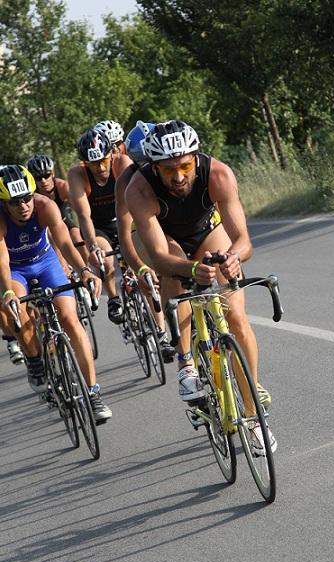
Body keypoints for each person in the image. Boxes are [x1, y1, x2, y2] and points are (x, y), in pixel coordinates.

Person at [125, 120, 276, 452]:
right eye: (168, 170)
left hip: (206, 229)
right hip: (166, 240)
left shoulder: (218, 173)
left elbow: (243, 240)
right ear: (154, 167)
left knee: (235, 317)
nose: (178, 176)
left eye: (185, 166)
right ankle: (186, 363)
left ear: (195, 157)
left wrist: (233, 258)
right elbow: (162, 257)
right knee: (175, 272)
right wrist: (192, 268)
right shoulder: (139, 188)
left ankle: (252, 419)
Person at [0, 164, 112, 423]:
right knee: (20, 315)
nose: (23, 206)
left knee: (70, 320)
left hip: (45, 260)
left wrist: (84, 270)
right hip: (16, 269)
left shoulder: (45, 206)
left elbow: (64, 242)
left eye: (27, 197)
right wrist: (7, 292)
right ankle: (35, 360)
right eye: (15, 202)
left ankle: (93, 394)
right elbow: (3, 261)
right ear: (5, 203)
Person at [115, 120, 176, 362]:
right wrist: (139, 267)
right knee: (155, 273)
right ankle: (163, 334)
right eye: (142, 164)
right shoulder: (127, 183)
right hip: (141, 228)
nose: (149, 170)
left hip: (174, 223)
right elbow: (125, 233)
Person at [68, 128, 132, 324]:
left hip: (126, 217)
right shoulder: (77, 175)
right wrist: (93, 247)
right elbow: (84, 215)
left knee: (143, 267)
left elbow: (134, 202)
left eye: (104, 161)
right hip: (99, 226)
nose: (101, 168)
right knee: (104, 259)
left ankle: (161, 333)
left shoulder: (123, 163)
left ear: (111, 153)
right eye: (93, 164)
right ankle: (113, 298)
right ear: (84, 162)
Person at [26, 154, 86, 260]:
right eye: (38, 178)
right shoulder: (32, 195)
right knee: (52, 237)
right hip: (45, 226)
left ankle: (87, 268)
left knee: (76, 235)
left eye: (46, 175)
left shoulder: (62, 187)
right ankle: (63, 268)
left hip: (63, 220)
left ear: (52, 173)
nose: (43, 181)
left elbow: (81, 210)